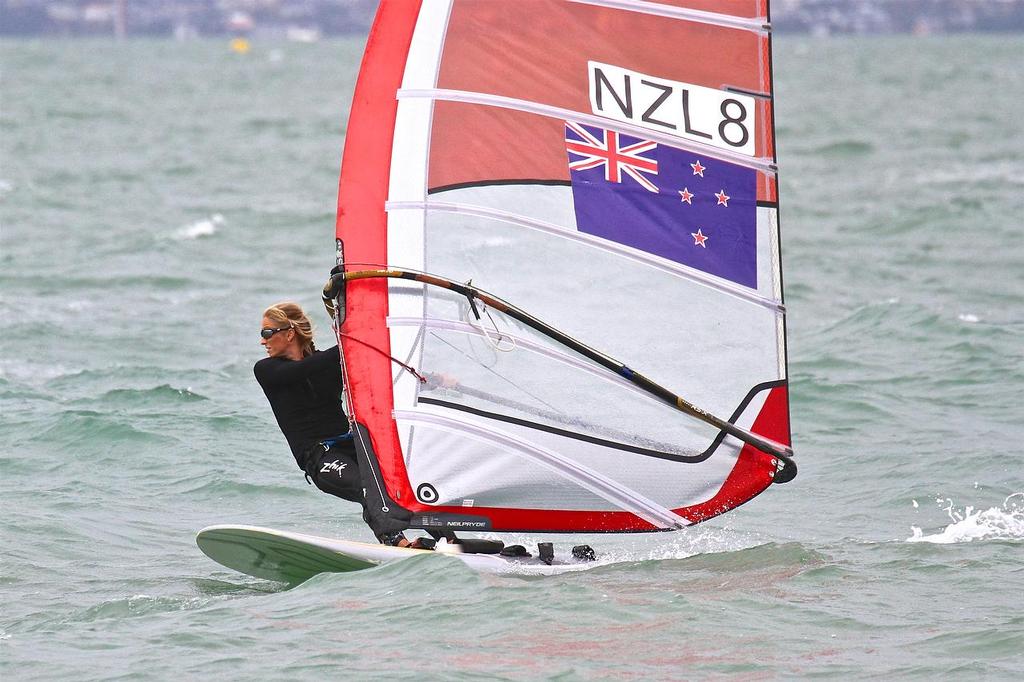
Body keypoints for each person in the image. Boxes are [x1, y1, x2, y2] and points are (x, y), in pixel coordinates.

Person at [253, 302, 432, 549]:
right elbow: (303, 370)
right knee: (367, 488)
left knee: (400, 485)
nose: (263, 341)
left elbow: (382, 371)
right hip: (319, 457)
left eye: (266, 333)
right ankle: (398, 543)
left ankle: (450, 539)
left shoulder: (327, 363)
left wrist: (432, 378)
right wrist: (354, 342)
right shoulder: (267, 369)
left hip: (353, 445)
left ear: (289, 333)